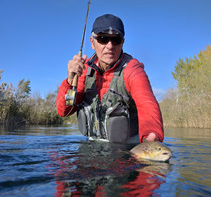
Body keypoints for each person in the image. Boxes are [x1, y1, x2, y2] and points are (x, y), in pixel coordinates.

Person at [56, 14, 163, 143]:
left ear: (122, 42)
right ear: (92, 42)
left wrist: (152, 137)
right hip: (93, 145)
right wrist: (69, 81)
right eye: (103, 39)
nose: (110, 46)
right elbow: (64, 111)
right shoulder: (83, 69)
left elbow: (146, 103)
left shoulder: (132, 69)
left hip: (128, 147)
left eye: (116, 40)